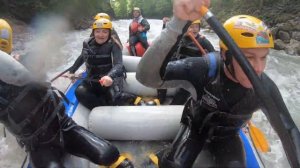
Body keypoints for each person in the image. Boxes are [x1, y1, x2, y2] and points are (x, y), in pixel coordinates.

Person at [136, 0, 300, 167]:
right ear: (225, 55)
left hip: (227, 137)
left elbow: (289, 130)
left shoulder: (265, 87)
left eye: (263, 57)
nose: (258, 68)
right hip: (195, 128)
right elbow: (146, 77)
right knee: (174, 165)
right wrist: (177, 23)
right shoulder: (205, 69)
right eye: (249, 58)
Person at [0, 51, 133, 168]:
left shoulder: (23, 61)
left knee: (109, 154)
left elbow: (37, 63)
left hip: (65, 126)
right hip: (39, 146)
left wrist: (23, 61)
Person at [67, 18, 132, 109]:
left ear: (109, 33)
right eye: (98, 31)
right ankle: (103, 108)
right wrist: (72, 70)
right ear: (93, 32)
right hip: (92, 79)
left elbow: (118, 65)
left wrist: (110, 76)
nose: (101, 35)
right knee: (79, 92)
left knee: (115, 97)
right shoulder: (87, 43)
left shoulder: (114, 44)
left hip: (109, 80)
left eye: (105, 32)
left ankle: (120, 102)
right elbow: (82, 57)